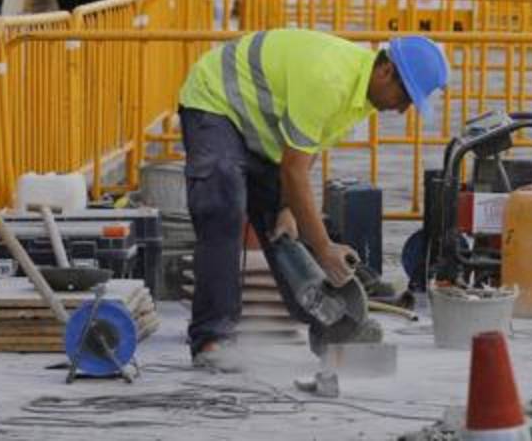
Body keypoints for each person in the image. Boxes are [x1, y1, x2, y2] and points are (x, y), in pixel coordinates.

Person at [177, 30, 449, 371]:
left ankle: (330, 323)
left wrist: (287, 209)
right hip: (216, 101)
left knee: (290, 230)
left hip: (259, 127)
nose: (402, 109)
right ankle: (212, 339)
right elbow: (293, 171)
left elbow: (308, 150)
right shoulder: (330, 78)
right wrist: (322, 247)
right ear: (386, 71)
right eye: (405, 96)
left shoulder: (359, 98)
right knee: (224, 206)